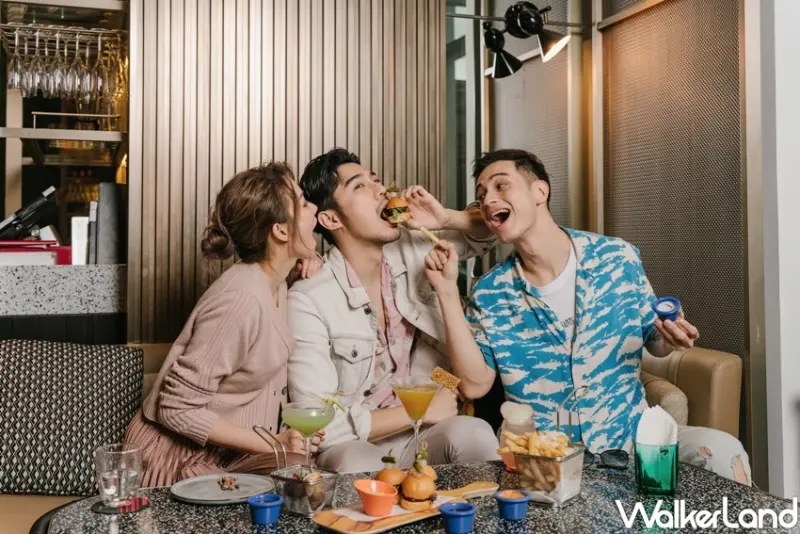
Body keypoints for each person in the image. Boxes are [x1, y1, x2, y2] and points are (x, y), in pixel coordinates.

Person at [423, 149, 751, 485]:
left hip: (633, 443)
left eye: (500, 186)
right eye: (481, 195)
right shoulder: (490, 293)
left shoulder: (616, 257)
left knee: (724, 450)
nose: (488, 200)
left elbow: (653, 339)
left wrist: (670, 336)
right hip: (547, 459)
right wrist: (446, 290)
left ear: (540, 191)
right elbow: (475, 384)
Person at [287, 148, 500, 473]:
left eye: (376, 180)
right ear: (330, 219)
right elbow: (316, 425)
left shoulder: (412, 248)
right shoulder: (309, 299)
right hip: (356, 445)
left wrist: (444, 218)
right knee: (359, 462)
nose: (382, 191)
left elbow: (492, 228)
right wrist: (419, 410)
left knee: (476, 434)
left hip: (427, 433)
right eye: (360, 186)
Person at [125, 162, 324, 487]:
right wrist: (274, 443)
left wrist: (308, 257)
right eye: (303, 204)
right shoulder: (240, 301)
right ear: (280, 231)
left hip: (231, 456)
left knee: (306, 480)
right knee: (301, 485)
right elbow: (175, 409)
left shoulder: (275, 278)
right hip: (178, 459)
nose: (314, 207)